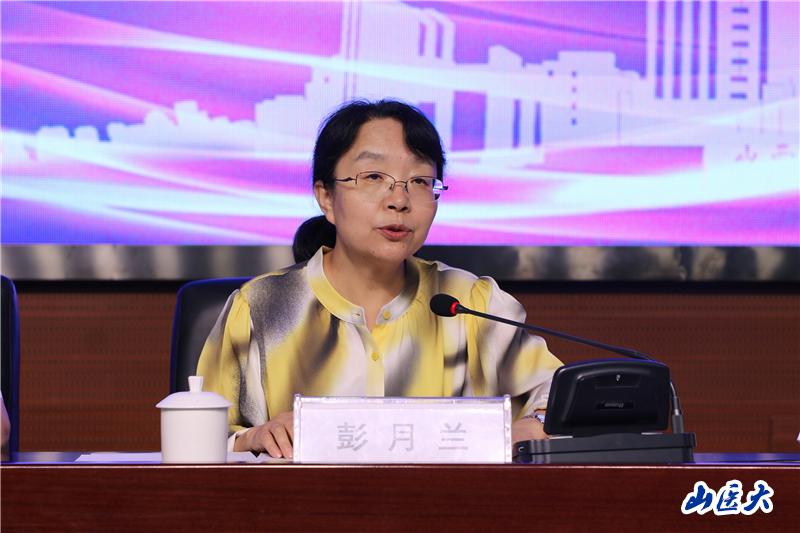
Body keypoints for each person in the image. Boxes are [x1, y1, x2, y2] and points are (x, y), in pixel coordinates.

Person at [197, 99, 562, 458]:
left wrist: (532, 425)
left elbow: (560, 399)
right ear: (326, 197)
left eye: (419, 181)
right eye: (373, 177)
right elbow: (199, 439)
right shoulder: (260, 308)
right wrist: (252, 439)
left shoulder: (469, 304)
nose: (399, 200)